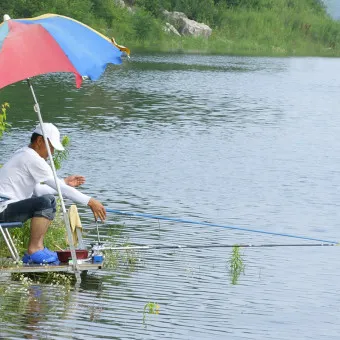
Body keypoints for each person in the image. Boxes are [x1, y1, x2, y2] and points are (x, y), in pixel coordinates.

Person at [0, 122, 106, 264]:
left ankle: (38, 248)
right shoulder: (32, 158)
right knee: (45, 202)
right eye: (51, 147)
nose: (52, 153)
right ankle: (34, 250)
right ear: (39, 141)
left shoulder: (24, 153)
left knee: (48, 200)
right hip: (3, 208)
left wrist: (65, 182)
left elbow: (38, 190)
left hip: (6, 206)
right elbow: (59, 189)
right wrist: (90, 201)